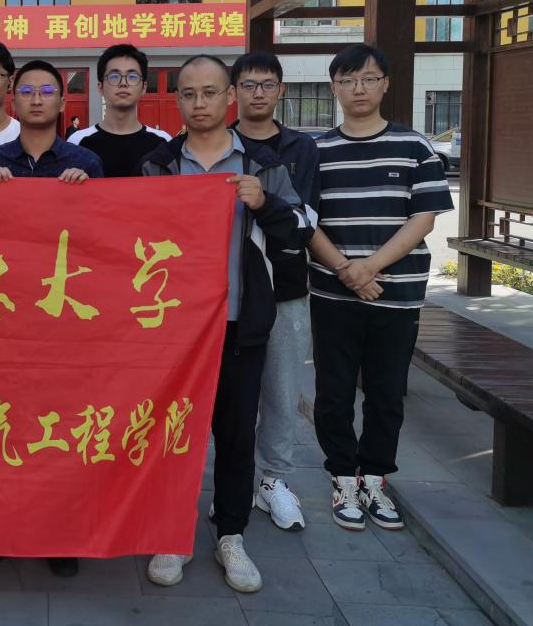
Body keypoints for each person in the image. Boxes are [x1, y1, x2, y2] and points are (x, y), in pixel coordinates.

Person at [140, 54, 311, 594]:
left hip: (240, 324)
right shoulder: (159, 165)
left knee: (236, 434)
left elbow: (300, 230)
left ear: (229, 97)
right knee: (173, 434)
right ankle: (172, 534)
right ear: (178, 100)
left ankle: (231, 534)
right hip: (175, 329)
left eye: (210, 92)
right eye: (188, 93)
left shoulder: (262, 164)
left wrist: (264, 204)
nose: (199, 103)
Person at [307, 44, 453, 532]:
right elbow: (306, 221)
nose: (359, 89)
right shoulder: (317, 152)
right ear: (334, 87)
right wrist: (346, 271)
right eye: (347, 81)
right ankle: (342, 477)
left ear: (385, 84)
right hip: (333, 294)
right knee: (333, 392)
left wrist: (368, 267)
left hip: (396, 295)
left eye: (368, 79)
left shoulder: (415, 147)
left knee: (387, 393)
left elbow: (424, 217)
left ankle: (375, 478)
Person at [0, 59, 102, 579]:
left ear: (62, 102)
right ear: (13, 99)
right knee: (0, 424)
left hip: (61, 323)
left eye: (47, 91)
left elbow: (105, 239)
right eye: (27, 90)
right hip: (1, 320)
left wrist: (86, 196)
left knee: (57, 428)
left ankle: (57, 535)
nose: (37, 99)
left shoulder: (86, 163)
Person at [229, 51, 320, 532]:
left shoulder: (301, 148)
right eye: (248, 85)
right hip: (230, 292)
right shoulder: (219, 143)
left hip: (285, 286)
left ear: (281, 90)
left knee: (283, 391)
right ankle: (232, 485)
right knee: (232, 397)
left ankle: (274, 480)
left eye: (267, 84)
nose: (258, 93)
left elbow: (306, 220)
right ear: (234, 93)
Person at [68, 43, 171, 177]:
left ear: (144, 87)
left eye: (132, 77)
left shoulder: (163, 142)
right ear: (100, 87)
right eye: (114, 76)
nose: (123, 83)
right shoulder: (77, 142)